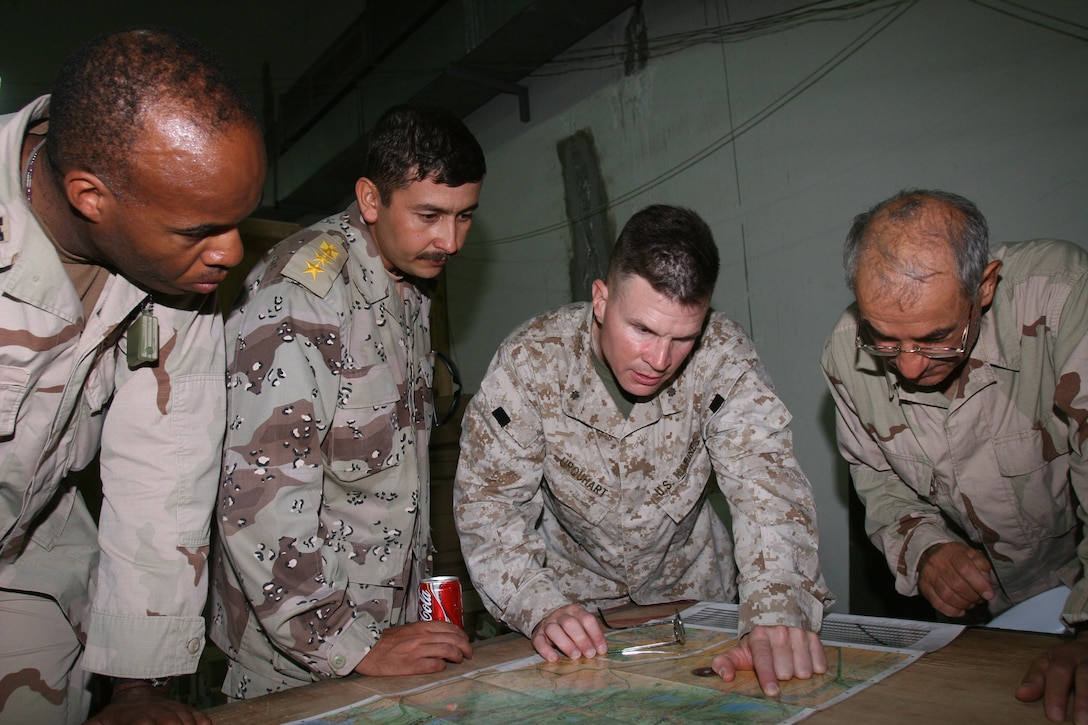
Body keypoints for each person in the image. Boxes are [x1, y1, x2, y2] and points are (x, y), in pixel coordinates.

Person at [454, 204, 832, 697]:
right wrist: (536, 604)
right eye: (643, 330)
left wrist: (776, 612)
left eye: (683, 339)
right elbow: (489, 505)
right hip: (575, 615)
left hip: (696, 603)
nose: (659, 360)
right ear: (601, 300)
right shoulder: (531, 364)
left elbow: (768, 490)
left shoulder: (723, 359)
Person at [0, 28, 266, 725]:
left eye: (239, 222)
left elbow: (166, 468)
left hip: (29, 559)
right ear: (91, 195)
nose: (231, 252)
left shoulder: (177, 273)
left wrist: (137, 683)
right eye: (200, 229)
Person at [211, 103, 486, 698]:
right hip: (300, 663)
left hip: (386, 636)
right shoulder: (301, 301)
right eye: (430, 215)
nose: (451, 240)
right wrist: (346, 640)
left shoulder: (405, 286)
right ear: (370, 200)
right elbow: (255, 502)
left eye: (466, 217)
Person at [821, 188, 1088, 723]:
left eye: (936, 338)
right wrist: (924, 549)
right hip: (993, 624)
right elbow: (877, 480)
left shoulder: (1060, 296)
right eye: (887, 340)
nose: (911, 368)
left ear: (984, 286)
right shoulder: (847, 355)